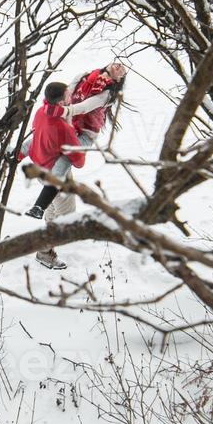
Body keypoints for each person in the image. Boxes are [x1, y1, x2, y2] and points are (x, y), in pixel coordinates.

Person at [21, 62, 128, 270]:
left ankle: (44, 233)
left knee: (59, 166)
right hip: (65, 130)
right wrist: (59, 110)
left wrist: (61, 111)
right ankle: (44, 245)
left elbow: (85, 107)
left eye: (124, 71)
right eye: (119, 63)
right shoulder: (83, 74)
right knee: (66, 211)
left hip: (82, 134)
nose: (121, 67)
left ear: (118, 80)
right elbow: (68, 89)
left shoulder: (107, 94)